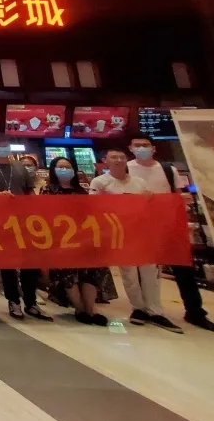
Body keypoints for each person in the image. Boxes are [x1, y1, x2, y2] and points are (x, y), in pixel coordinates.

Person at [89, 147, 181, 333]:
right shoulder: (100, 182)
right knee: (129, 273)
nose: (118, 160)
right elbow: (93, 206)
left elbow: (149, 206)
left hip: (142, 233)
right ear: (105, 160)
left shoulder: (139, 182)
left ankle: (155, 310)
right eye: (113, 157)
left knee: (150, 273)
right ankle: (138, 308)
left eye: (121, 157)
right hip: (119, 234)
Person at [127, 136, 214, 331]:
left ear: (153, 148)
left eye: (145, 145)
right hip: (139, 227)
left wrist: (184, 212)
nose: (141, 148)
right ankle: (143, 308)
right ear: (130, 148)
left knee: (184, 269)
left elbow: (178, 195)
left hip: (169, 226)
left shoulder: (168, 169)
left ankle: (195, 311)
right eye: (137, 145)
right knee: (141, 271)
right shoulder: (127, 169)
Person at [0, 135, 52, 321]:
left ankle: (31, 302)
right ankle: (13, 301)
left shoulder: (19, 167)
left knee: (29, 262)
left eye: (5, 144)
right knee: (7, 264)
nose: (3, 147)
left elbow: (29, 190)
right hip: (0, 220)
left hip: (24, 220)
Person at [42, 157, 113, 326]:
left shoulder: (82, 191)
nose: (64, 170)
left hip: (84, 237)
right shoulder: (48, 191)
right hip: (61, 239)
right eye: (60, 167)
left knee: (91, 270)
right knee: (67, 273)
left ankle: (91, 308)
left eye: (67, 167)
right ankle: (79, 308)